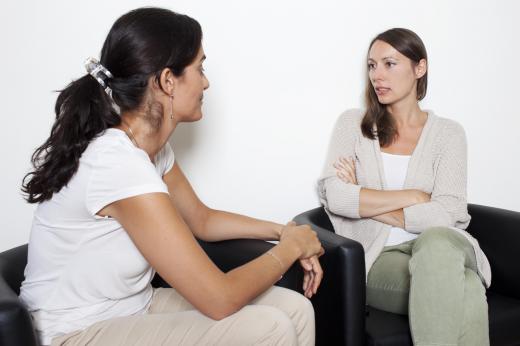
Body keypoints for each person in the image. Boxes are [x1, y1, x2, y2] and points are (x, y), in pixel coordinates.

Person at [20, 7, 323, 346]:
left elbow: (201, 219)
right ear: (167, 80)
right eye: (199, 67)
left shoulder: (152, 152)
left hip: (132, 308)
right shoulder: (116, 163)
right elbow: (218, 298)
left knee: (294, 309)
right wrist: (289, 250)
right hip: (74, 331)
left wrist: (284, 231)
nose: (206, 81)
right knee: (268, 327)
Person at [318, 28, 491, 345]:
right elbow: (335, 195)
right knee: (466, 286)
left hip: (446, 246)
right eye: (371, 65)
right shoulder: (354, 125)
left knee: (438, 241)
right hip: (381, 258)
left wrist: (366, 198)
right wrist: (413, 197)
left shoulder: (448, 134)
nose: (377, 75)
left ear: (419, 68)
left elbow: (449, 212)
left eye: (389, 64)